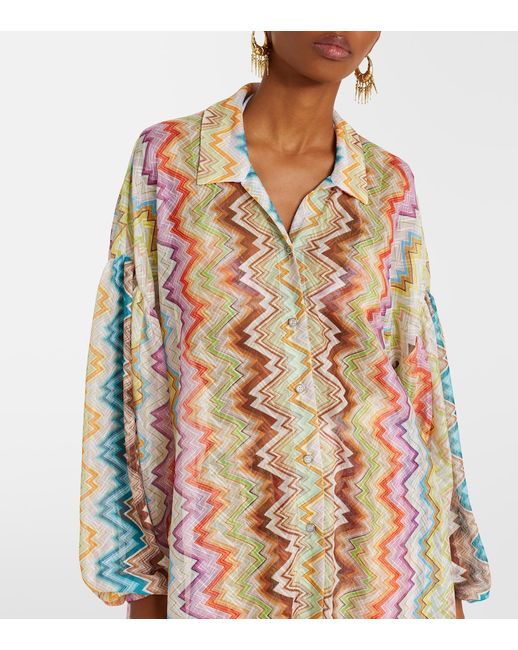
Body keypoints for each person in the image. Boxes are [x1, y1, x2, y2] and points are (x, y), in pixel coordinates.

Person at [79, 31, 491, 619]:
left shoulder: (387, 182)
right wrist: (140, 578)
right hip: (224, 552)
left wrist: (450, 566)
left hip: (388, 553)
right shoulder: (170, 159)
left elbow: (421, 373)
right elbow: (129, 363)